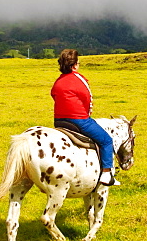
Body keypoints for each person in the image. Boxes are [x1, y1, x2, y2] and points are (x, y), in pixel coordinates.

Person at [51, 49, 120, 186]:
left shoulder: (58, 81)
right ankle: (107, 173)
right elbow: (87, 98)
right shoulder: (79, 79)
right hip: (79, 119)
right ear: (75, 65)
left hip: (59, 120)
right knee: (106, 140)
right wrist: (87, 113)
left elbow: (54, 95)